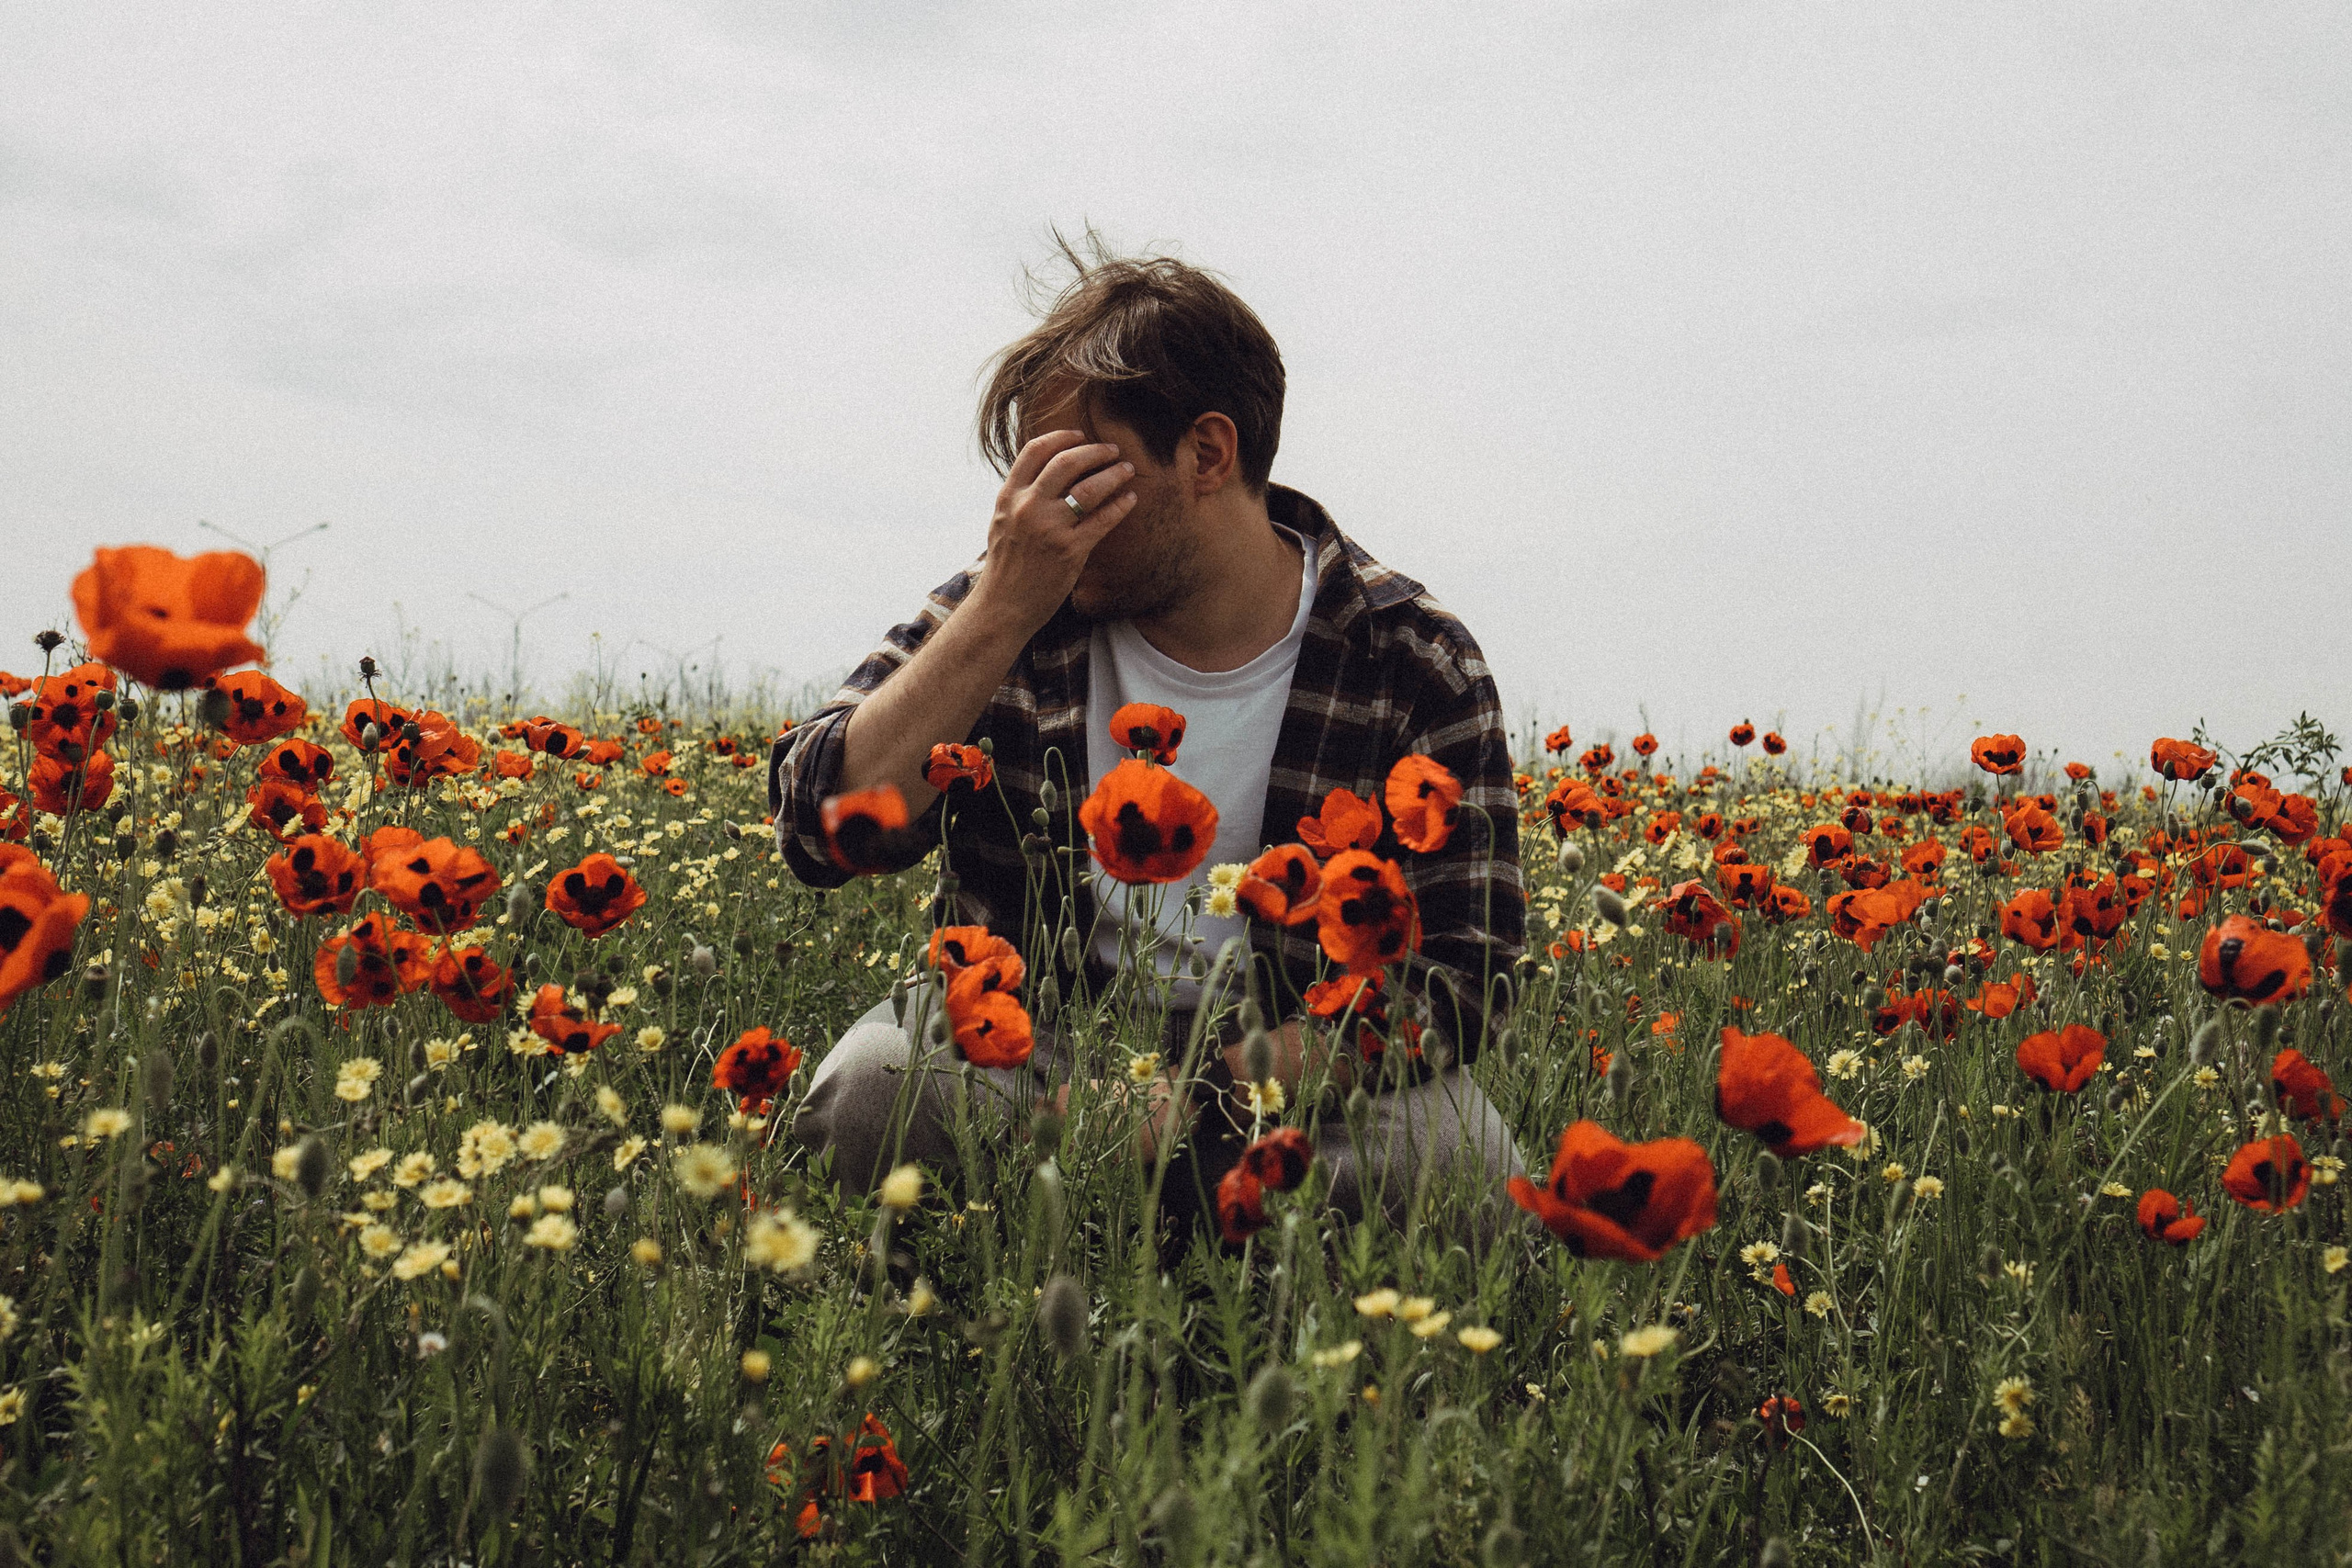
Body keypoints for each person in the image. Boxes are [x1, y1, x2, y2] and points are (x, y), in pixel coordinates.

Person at [770, 237, 1526, 1235]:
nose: (1031, 512)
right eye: (1026, 479)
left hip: (1287, 1061)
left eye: (1073, 472)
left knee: (1459, 1171)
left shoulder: (1404, 654)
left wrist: (1211, 1094)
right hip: (1030, 1044)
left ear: (1207, 454)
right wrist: (997, 613)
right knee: (871, 1093)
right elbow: (820, 831)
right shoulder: (1010, 599)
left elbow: (1464, 977)